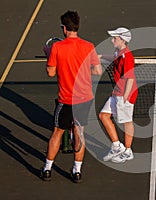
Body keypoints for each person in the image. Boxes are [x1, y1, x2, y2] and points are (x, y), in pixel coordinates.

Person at [40, 10, 102, 183]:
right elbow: (97, 71)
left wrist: (49, 55)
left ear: (65, 28)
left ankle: (47, 169)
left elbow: (50, 73)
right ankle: (77, 171)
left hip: (66, 100)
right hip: (85, 99)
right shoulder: (88, 46)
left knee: (57, 133)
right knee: (79, 133)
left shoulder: (57, 48)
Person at [99, 27, 138, 163]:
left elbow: (130, 78)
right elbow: (113, 58)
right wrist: (101, 57)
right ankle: (116, 146)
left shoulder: (127, 56)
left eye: (115, 38)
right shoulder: (118, 52)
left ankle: (128, 151)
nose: (112, 40)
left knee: (127, 122)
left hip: (125, 94)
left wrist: (125, 98)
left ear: (122, 40)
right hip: (117, 92)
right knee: (103, 115)